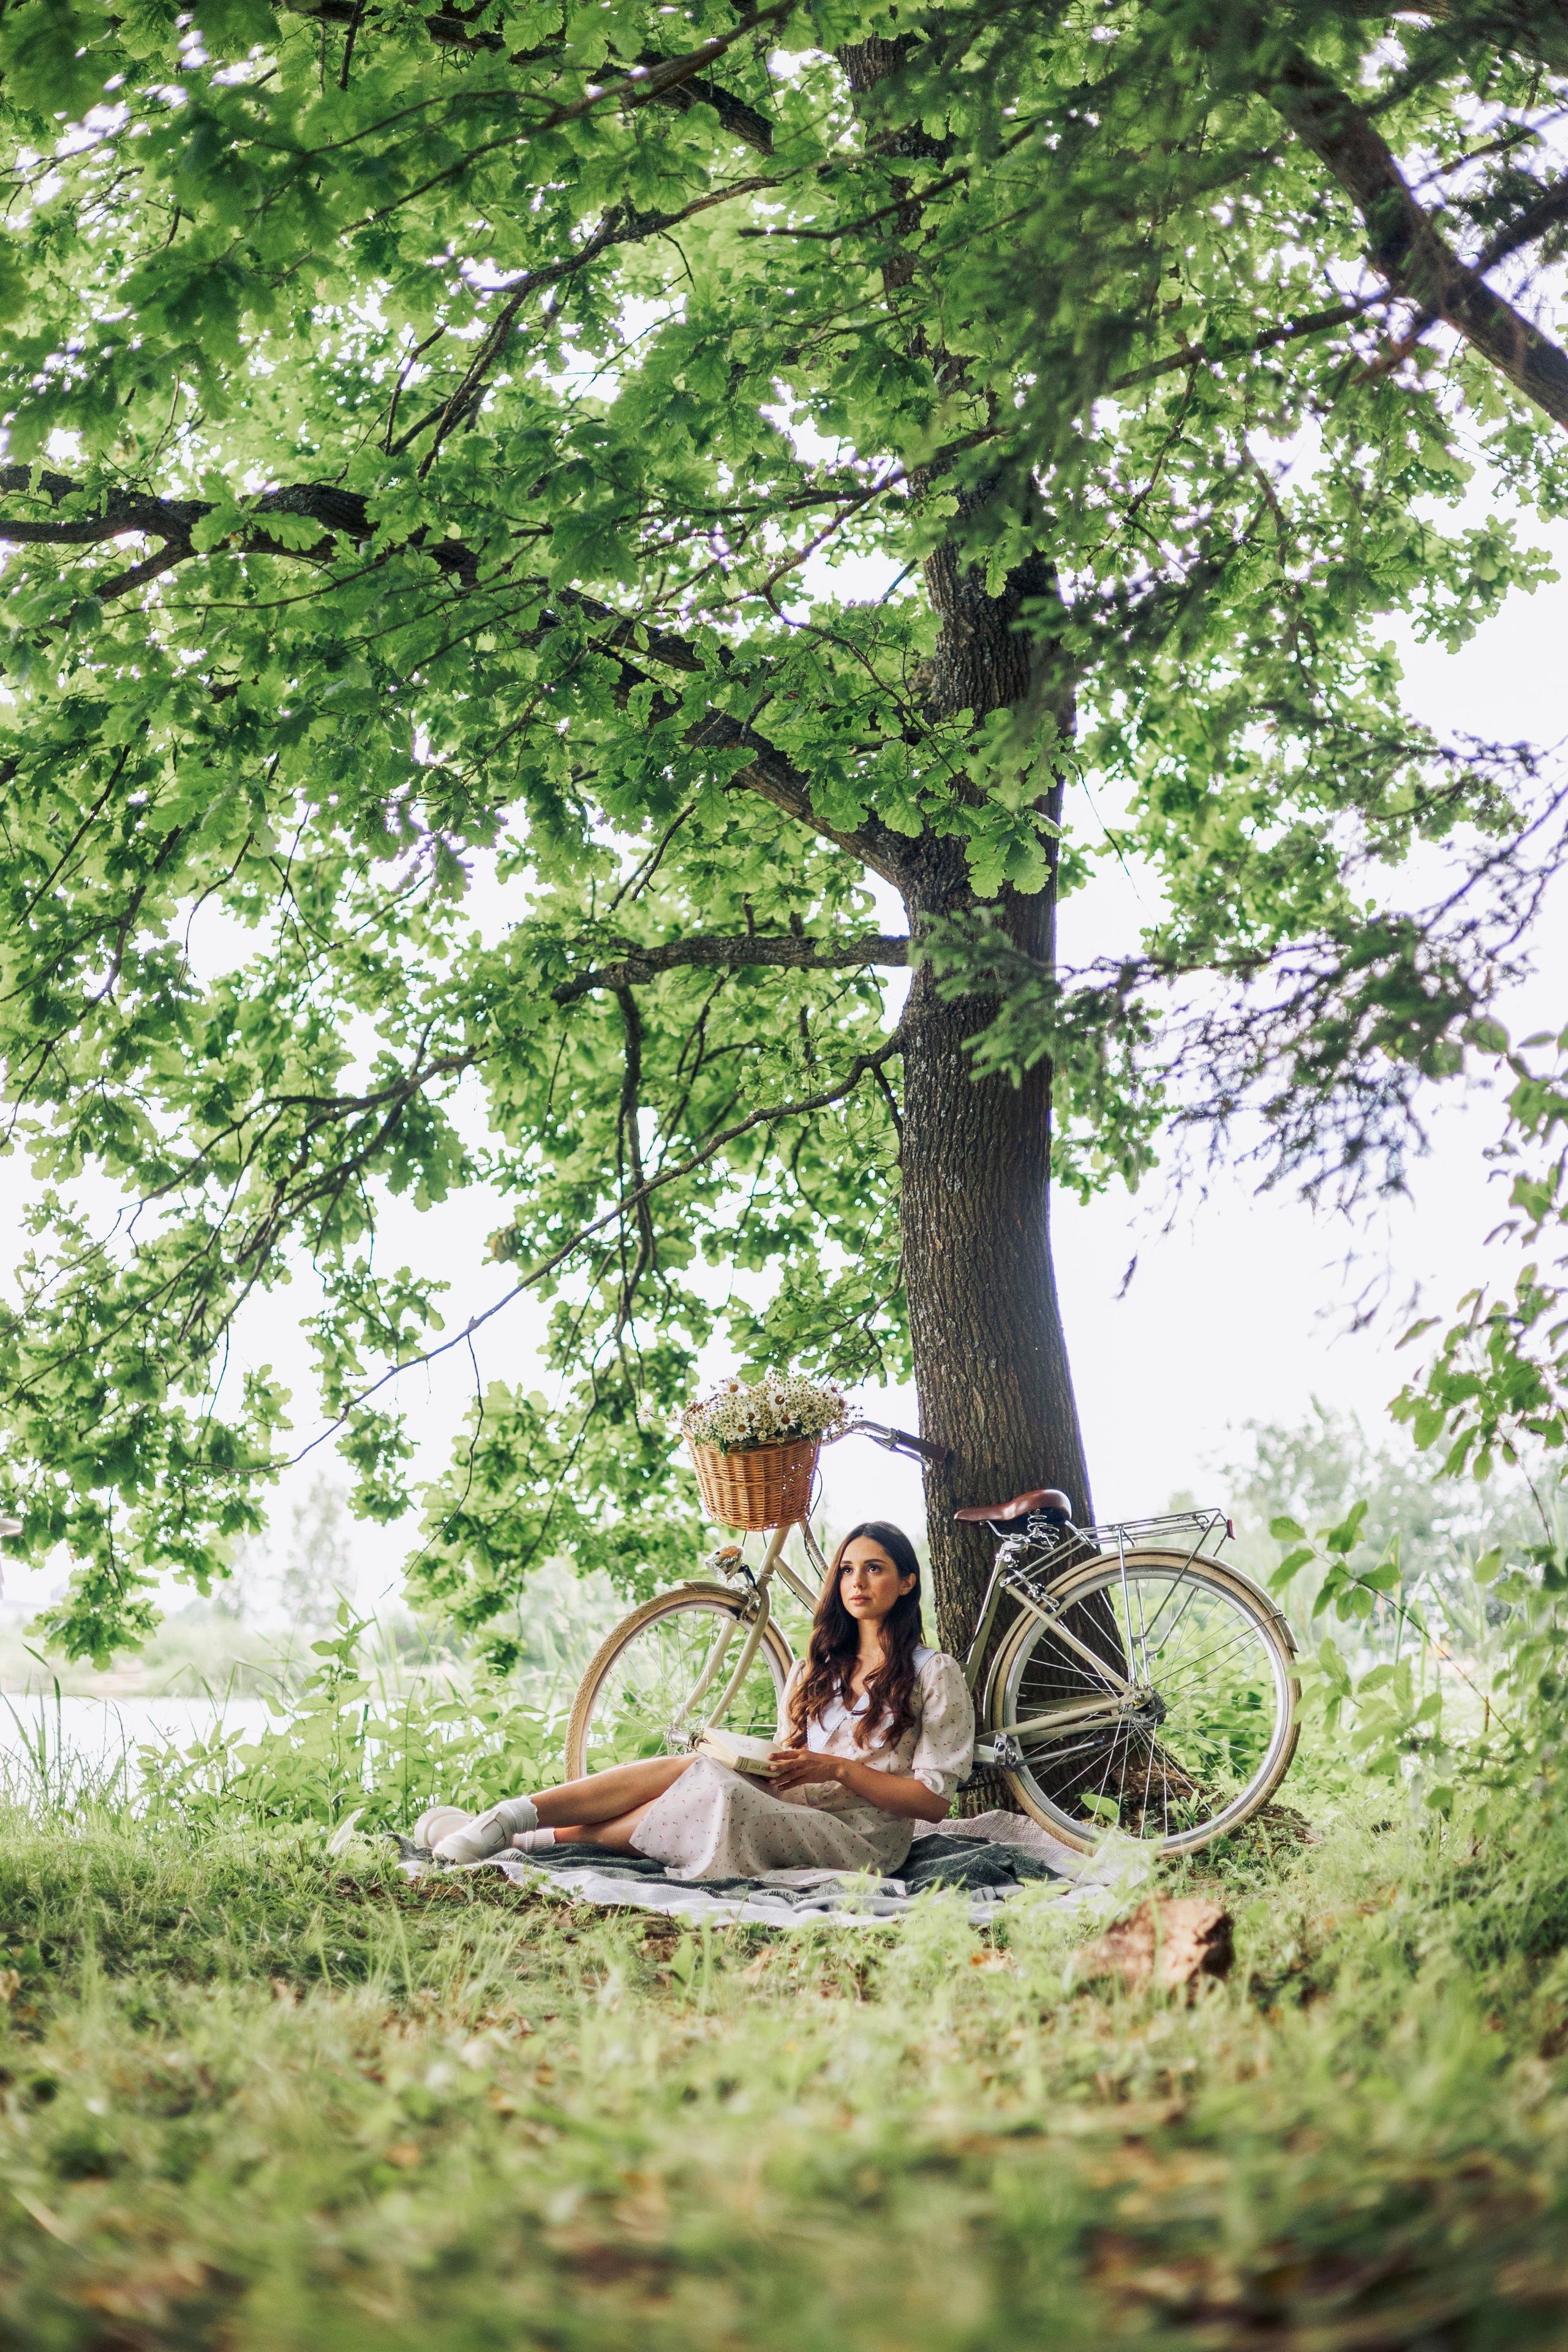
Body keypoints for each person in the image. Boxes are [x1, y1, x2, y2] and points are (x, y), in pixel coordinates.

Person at [419, 1521, 975, 1882]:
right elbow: (788, 1762)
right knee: (710, 1772)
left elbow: (932, 1804)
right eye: (847, 1569)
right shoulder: (814, 1668)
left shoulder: (933, 1673)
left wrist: (836, 1769)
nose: (857, 1581)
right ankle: (510, 1825)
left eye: (874, 1568)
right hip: (792, 1811)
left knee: (712, 1789)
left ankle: (511, 1828)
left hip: (863, 1843)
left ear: (906, 1583)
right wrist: (767, 1764)